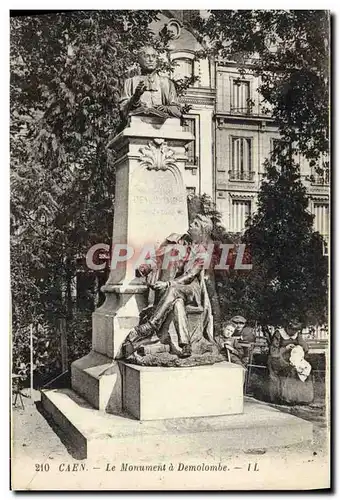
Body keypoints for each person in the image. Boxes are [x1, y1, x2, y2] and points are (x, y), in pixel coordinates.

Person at [121, 215, 216, 359]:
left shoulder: (203, 253)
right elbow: (159, 258)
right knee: (177, 302)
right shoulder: (176, 241)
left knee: (173, 290)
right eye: (192, 222)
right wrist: (146, 267)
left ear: (202, 232)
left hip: (191, 289)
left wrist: (167, 284)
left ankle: (150, 326)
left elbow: (190, 275)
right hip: (175, 291)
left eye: (195, 224)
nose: (190, 224)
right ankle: (185, 344)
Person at [119, 45, 182, 124]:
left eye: (154, 56)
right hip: (138, 124)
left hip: (162, 125)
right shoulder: (130, 82)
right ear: (139, 59)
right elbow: (122, 111)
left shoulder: (167, 83)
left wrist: (166, 108)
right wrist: (136, 97)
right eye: (146, 56)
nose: (151, 59)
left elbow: (177, 111)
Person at [267, 320, 314, 404]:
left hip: (292, 358)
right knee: (289, 369)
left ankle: (301, 398)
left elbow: (305, 348)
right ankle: (285, 398)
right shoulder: (279, 333)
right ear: (288, 328)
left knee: (303, 368)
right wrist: (286, 348)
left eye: (296, 330)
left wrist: (298, 347)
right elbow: (274, 351)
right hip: (278, 358)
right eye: (292, 330)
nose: (294, 332)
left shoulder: (297, 335)